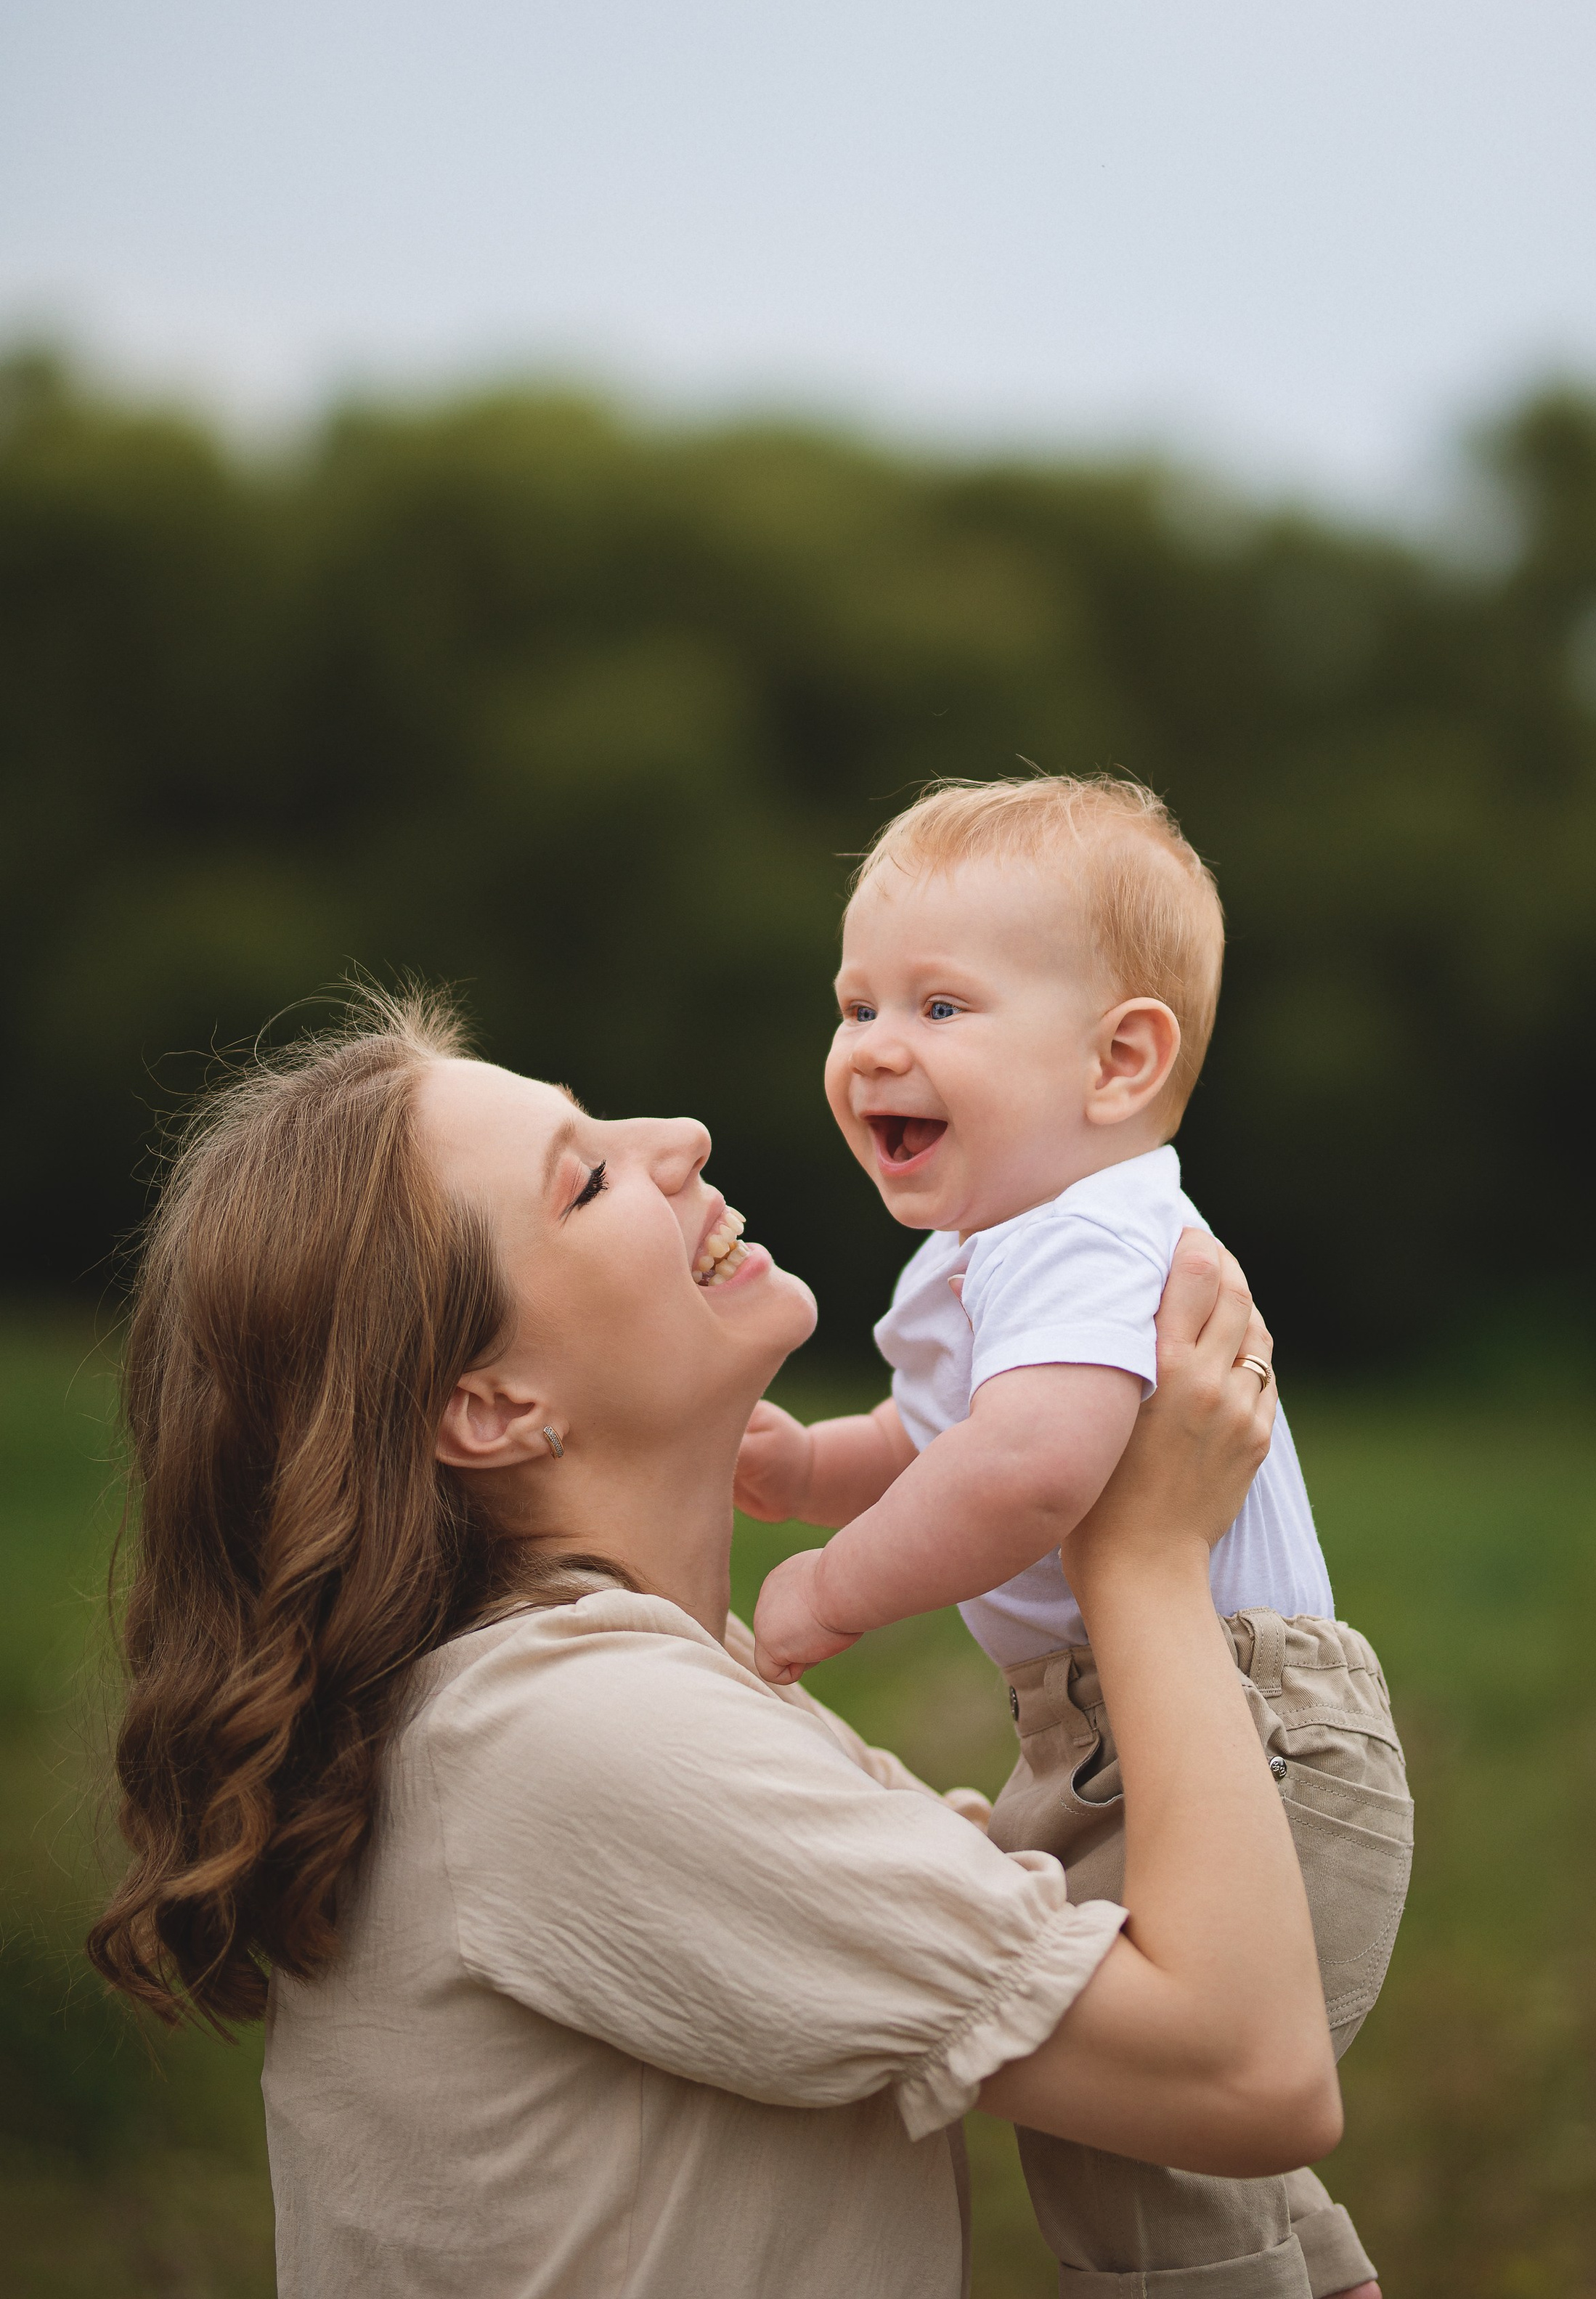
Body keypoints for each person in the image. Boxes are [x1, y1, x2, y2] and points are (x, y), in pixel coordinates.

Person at [88, 990, 1341, 2299]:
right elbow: (1250, 2071)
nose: (680, 1136)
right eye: (586, 1182)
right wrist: (1143, 1556)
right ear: (492, 1404)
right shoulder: (573, 1738)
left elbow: (1060, 1941)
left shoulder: (633, 1686)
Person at [738, 777, 1411, 2299]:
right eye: (853, 1003)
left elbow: (1028, 1475)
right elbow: (944, 1446)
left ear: (1118, 1059)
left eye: (940, 1003)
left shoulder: (1089, 1231)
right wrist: (803, 1468)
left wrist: (828, 1592)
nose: (874, 1045)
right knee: (1140, 2129)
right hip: (1125, 1726)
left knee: (1133, 2134)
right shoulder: (997, 1251)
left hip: (1247, 1726)